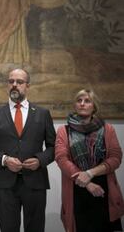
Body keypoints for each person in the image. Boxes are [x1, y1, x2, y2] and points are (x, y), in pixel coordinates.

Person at [0, 68, 55, 232]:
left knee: (35, 228)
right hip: (6, 184)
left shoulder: (42, 114)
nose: (14, 85)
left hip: (35, 182)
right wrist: (4, 160)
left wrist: (40, 160)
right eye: (11, 81)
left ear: (27, 86)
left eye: (19, 82)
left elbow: (53, 147)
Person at [55, 89, 124, 232]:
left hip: (104, 190)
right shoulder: (64, 130)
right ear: (75, 105)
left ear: (94, 106)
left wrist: (90, 173)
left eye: (87, 101)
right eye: (79, 100)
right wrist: (86, 182)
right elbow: (62, 159)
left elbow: (115, 157)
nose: (82, 104)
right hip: (77, 189)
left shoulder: (107, 129)